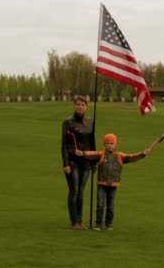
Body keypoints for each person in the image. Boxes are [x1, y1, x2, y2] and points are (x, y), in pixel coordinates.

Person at [76, 133, 152, 230]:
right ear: (104, 145)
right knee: (100, 205)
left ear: (115, 145)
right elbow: (91, 154)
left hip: (114, 185)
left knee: (110, 206)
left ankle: (109, 224)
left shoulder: (120, 156)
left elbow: (132, 157)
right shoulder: (101, 154)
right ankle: (98, 224)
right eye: (107, 143)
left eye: (111, 143)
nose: (109, 145)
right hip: (102, 184)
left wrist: (142, 154)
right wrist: (83, 153)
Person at [61, 95, 96, 230]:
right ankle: (74, 221)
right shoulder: (67, 123)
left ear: (86, 107)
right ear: (74, 106)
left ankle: (80, 221)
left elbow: (92, 143)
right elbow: (64, 145)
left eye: (83, 105)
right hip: (73, 161)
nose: (80, 107)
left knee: (81, 190)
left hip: (87, 161)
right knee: (74, 190)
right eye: (78, 104)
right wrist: (66, 163)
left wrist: (94, 161)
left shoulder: (91, 122)